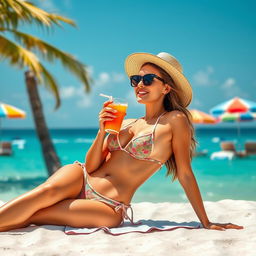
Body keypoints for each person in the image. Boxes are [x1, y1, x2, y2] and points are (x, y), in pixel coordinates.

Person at [0, 52, 243, 232]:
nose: (139, 84)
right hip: (81, 177)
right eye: (136, 79)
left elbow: (185, 173)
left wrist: (206, 221)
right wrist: (101, 132)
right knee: (40, 196)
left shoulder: (175, 120)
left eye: (148, 79)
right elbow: (93, 166)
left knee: (37, 214)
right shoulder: (126, 123)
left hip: (110, 205)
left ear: (167, 87)